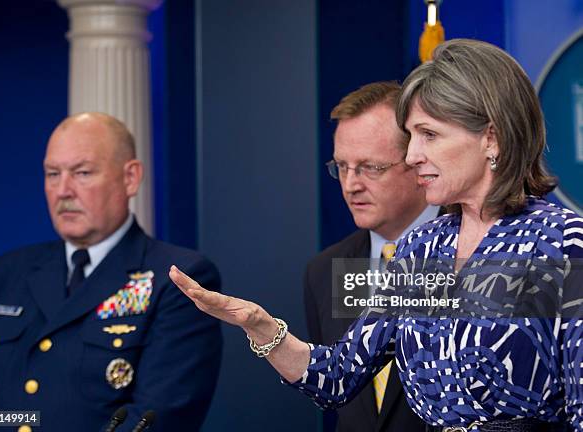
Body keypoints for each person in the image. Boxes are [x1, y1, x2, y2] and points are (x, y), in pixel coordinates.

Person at [170, 38, 583, 431]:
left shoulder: (562, 243)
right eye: (411, 135)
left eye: (429, 134)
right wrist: (261, 327)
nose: (412, 155)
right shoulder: (422, 248)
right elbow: (337, 377)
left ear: (491, 137)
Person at [0, 113, 222, 431]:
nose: (63, 190)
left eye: (82, 173)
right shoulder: (7, 272)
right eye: (52, 174)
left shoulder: (177, 278)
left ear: (130, 178)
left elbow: (159, 417)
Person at [305, 82, 436, 432]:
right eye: (342, 167)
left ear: (417, 164)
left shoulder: (470, 254)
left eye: (370, 167)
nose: (350, 184)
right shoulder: (324, 271)